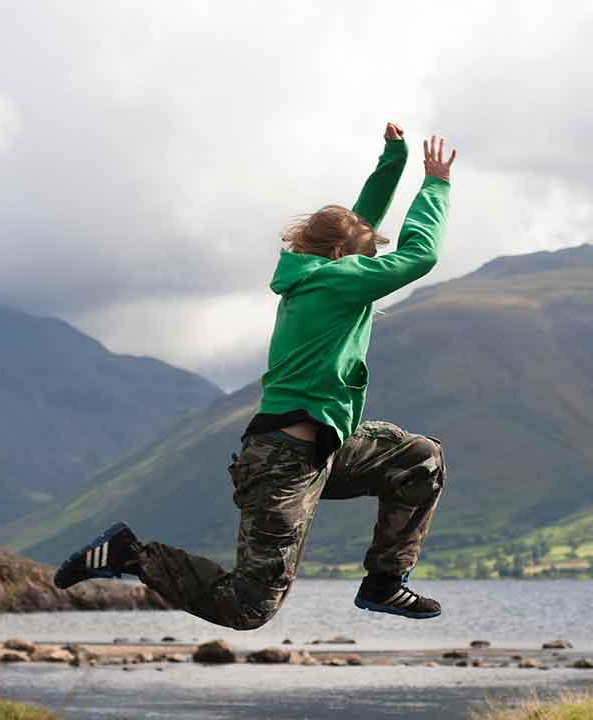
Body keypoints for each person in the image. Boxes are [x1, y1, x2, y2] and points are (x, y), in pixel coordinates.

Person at [54, 123, 455, 630]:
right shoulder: (334, 281)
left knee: (419, 459)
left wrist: (392, 161)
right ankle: (132, 555)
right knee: (249, 607)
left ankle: (383, 583)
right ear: (341, 258)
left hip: (327, 448)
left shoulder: (319, 271)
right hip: (282, 463)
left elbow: (359, 225)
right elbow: (421, 255)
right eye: (367, 255)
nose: (373, 263)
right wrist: (436, 184)